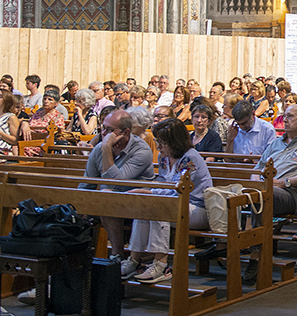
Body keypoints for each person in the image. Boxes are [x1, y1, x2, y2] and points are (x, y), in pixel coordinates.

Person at [121, 118, 213, 283]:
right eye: (158, 141)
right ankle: (134, 260)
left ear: (175, 142)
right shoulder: (164, 158)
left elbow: (179, 189)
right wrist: (148, 192)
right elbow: (162, 183)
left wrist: (149, 191)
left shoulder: (189, 158)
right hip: (175, 204)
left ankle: (161, 265)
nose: (159, 147)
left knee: (159, 208)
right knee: (144, 207)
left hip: (197, 208)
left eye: (163, 143)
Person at [80, 109, 155, 260]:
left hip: (138, 201)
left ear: (126, 133)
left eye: (109, 130)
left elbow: (115, 181)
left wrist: (107, 148)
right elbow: (86, 184)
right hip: (108, 199)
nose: (103, 134)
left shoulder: (141, 150)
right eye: (103, 128)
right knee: (90, 203)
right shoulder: (98, 150)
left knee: (108, 195)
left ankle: (117, 255)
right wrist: (78, 205)